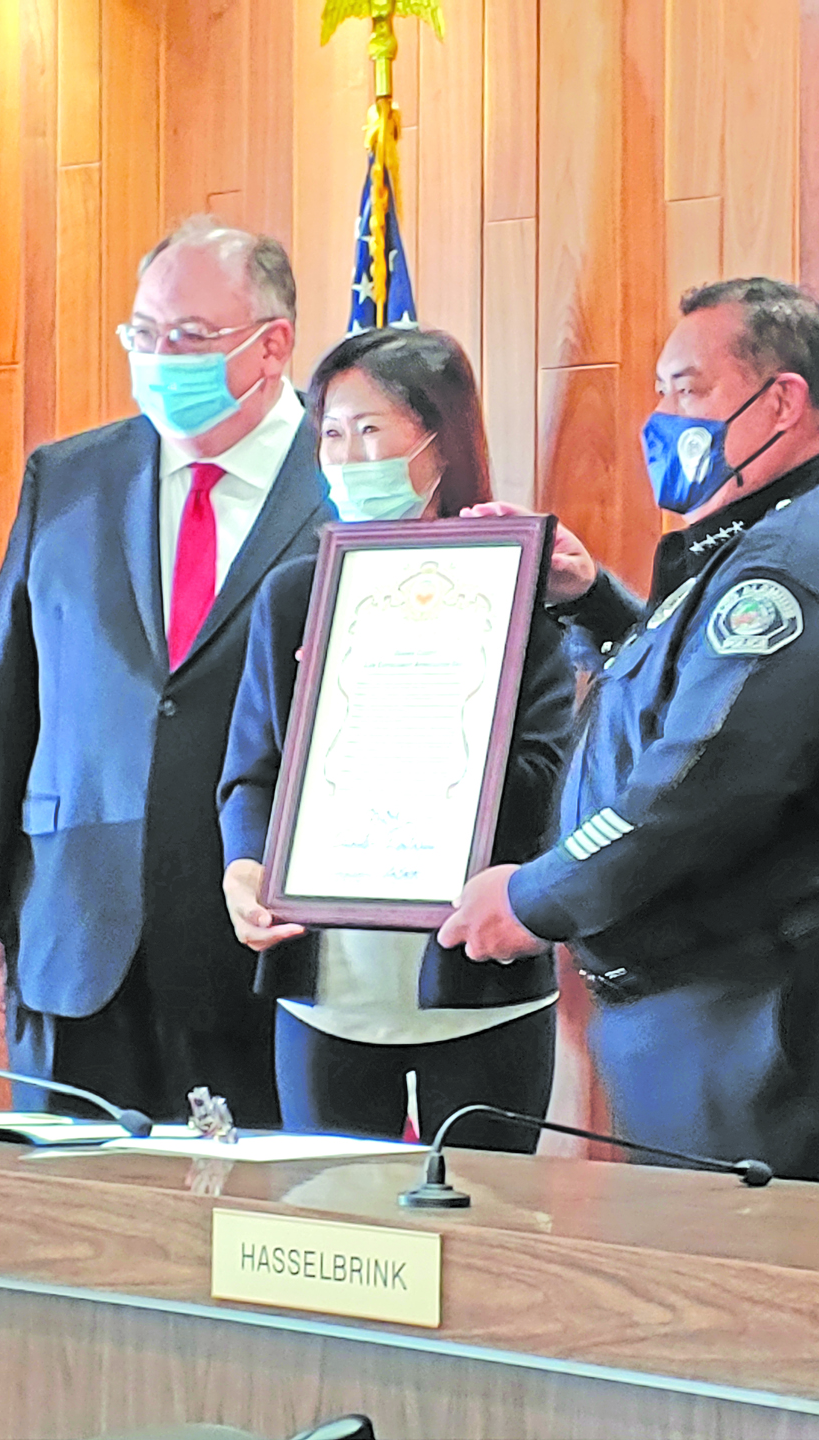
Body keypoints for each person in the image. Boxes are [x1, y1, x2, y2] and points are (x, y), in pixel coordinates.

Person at [438, 277, 819, 1190]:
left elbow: (698, 785)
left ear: (782, 402)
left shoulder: (790, 568)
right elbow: (682, 691)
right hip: (723, 1002)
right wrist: (590, 602)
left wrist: (533, 897)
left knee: (769, 1269)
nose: (664, 418)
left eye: (689, 390)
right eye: (662, 391)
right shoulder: (761, 538)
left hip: (777, 1007)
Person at [0, 216, 335, 1125]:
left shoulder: (343, 481)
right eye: (142, 334)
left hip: (261, 945)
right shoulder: (70, 477)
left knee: (252, 1205)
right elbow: (0, 703)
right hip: (74, 931)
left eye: (187, 337)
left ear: (272, 346)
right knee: (67, 1205)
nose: (158, 358)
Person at [218, 328, 575, 1151]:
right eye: (332, 433)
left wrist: (431, 705)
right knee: (328, 1214)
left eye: (372, 430)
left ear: (439, 440)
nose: (348, 456)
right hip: (326, 992)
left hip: (479, 988)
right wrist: (245, 866)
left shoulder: (518, 583)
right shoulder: (294, 594)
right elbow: (251, 771)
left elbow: (546, 777)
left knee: (488, 1213)